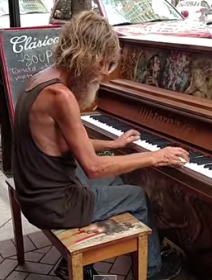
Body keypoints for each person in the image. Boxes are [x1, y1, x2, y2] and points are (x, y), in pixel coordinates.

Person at [12, 10, 189, 280]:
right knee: (138, 197)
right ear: (87, 56)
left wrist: (114, 143)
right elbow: (94, 168)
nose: (104, 74)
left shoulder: (40, 80)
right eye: (104, 64)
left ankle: (87, 266)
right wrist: (156, 157)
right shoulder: (62, 96)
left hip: (34, 192)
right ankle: (153, 269)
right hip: (54, 205)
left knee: (116, 183)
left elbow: (69, 141)